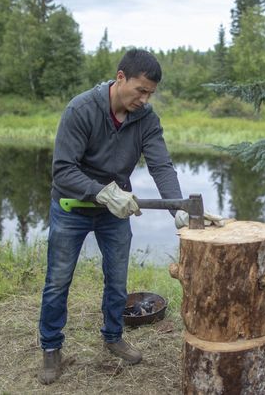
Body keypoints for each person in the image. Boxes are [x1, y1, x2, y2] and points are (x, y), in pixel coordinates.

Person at [38, 49, 184, 384]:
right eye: (140, 90)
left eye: (150, 93)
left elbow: (161, 165)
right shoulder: (81, 109)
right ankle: (50, 348)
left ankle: (113, 336)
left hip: (114, 212)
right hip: (71, 208)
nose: (145, 99)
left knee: (117, 279)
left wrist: (177, 207)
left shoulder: (146, 119)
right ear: (120, 78)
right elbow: (63, 171)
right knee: (58, 280)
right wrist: (102, 192)